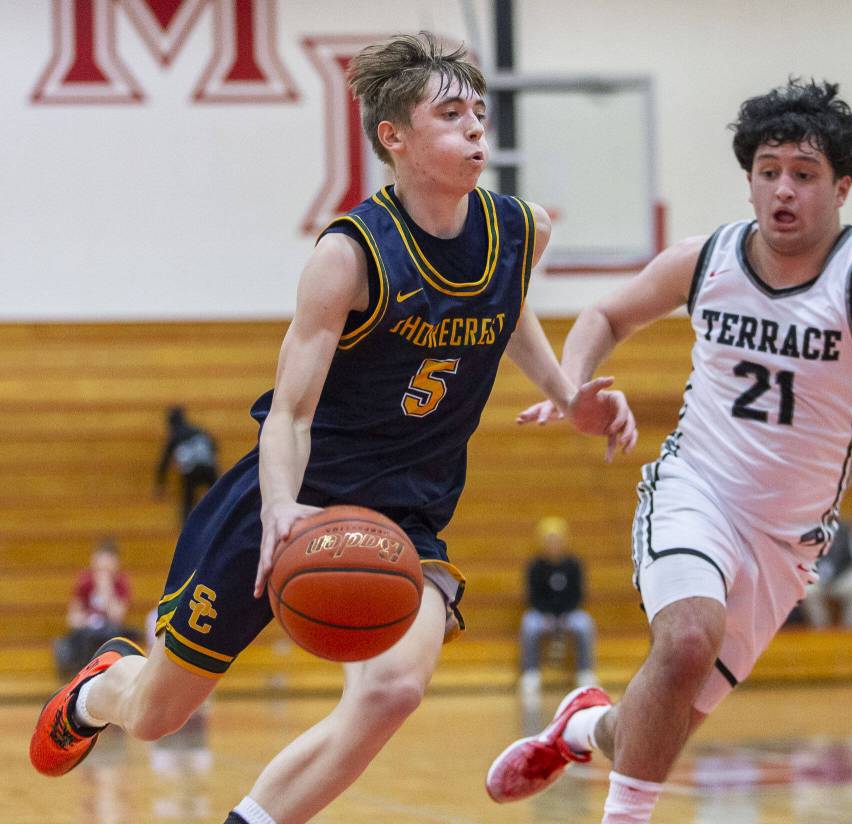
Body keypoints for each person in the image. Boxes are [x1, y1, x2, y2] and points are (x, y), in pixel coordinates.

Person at [29, 32, 637, 824]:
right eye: (451, 115)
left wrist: (565, 390)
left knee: (392, 690)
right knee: (156, 716)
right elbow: (288, 412)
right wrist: (281, 508)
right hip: (289, 499)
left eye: (480, 114)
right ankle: (105, 683)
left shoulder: (522, 230)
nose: (476, 130)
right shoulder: (350, 257)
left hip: (405, 519)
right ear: (394, 137)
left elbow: (505, 302)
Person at [485, 78, 852, 824]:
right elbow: (606, 312)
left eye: (804, 175)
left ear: (842, 187)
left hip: (786, 542)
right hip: (696, 490)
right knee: (685, 637)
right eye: (768, 171)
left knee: (652, 728)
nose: (783, 190)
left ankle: (581, 725)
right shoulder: (709, 257)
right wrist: (570, 383)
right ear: (748, 178)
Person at [519, 516, 598, 702]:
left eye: (557, 540)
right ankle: (531, 673)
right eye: (549, 540)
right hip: (542, 614)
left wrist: (563, 614)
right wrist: (547, 614)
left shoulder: (574, 565)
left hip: (569, 614)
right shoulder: (535, 566)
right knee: (529, 625)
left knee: (585, 624)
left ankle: (585, 672)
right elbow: (533, 596)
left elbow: (578, 594)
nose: (553, 544)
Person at [53, 538, 138, 680]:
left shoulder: (121, 583)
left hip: (109, 631)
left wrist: (107, 589)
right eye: (100, 568)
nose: (102, 572)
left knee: (114, 637)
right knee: (84, 637)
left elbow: (117, 616)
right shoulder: (85, 582)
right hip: (88, 632)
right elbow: (72, 618)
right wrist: (85, 620)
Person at [799, 518, 852, 629]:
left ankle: (850, 631)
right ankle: (821, 631)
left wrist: (839, 571)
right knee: (806, 590)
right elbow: (801, 560)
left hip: (842, 577)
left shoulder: (846, 528)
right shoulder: (806, 530)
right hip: (816, 578)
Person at [155, 406, 219, 526]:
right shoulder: (198, 430)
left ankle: (186, 527)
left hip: (191, 471)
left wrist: (160, 483)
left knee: (188, 501)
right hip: (208, 467)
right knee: (220, 495)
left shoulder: (175, 436)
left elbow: (164, 462)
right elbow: (213, 446)